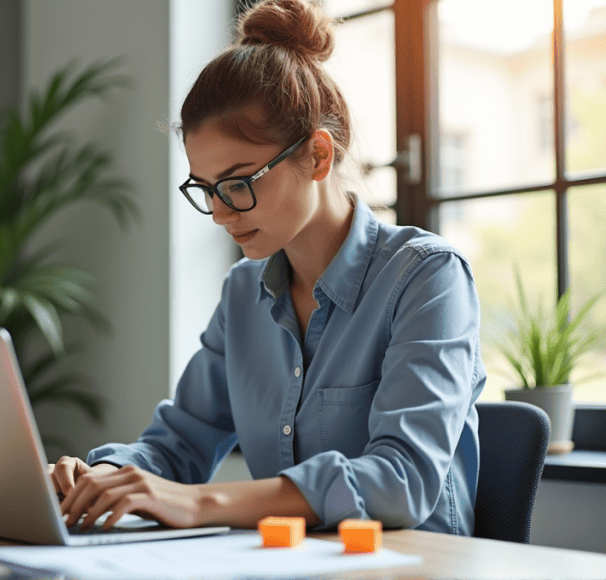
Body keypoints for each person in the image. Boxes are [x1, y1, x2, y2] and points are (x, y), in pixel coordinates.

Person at [49, 0, 486, 535]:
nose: (219, 213)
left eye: (238, 183)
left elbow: (400, 481)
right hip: (290, 565)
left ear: (319, 157)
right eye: (206, 190)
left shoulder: (427, 278)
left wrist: (198, 504)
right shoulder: (243, 293)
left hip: (412, 567)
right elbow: (178, 443)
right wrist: (104, 476)